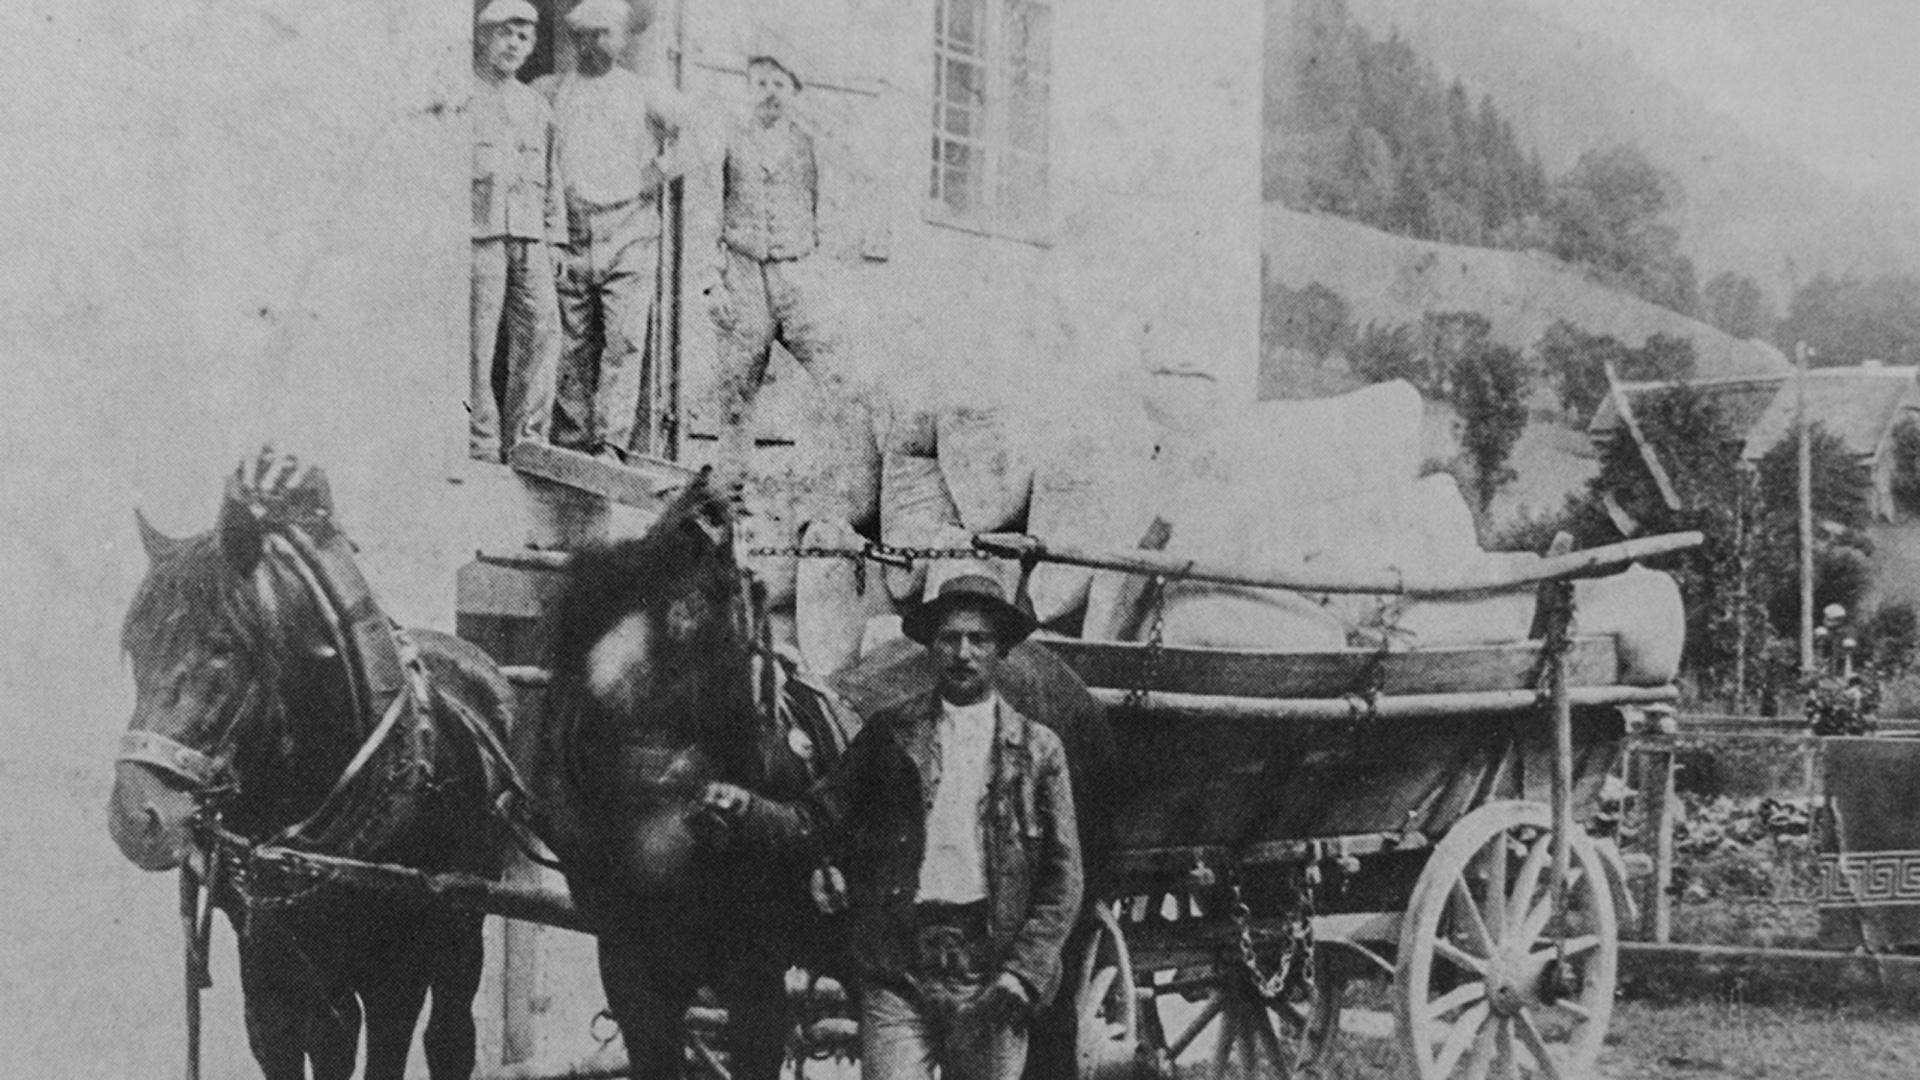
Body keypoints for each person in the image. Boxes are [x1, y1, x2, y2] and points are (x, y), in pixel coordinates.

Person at [701, 575, 1083, 1080]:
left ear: (1000, 651)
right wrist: (745, 806)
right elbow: (817, 819)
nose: (963, 653)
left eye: (979, 640)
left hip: (990, 976)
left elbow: (1063, 876)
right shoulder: (889, 734)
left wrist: (1024, 975)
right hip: (898, 971)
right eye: (949, 639)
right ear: (929, 648)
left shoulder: (1039, 751)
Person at [536, 0, 693, 462]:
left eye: (605, 33)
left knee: (623, 343)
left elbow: (705, 129)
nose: (594, 43)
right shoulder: (553, 91)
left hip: (628, 233)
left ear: (623, 38)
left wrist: (658, 171)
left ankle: (609, 445)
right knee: (571, 342)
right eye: (584, 34)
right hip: (572, 232)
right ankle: (570, 445)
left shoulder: (644, 92)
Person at [703, 52, 855, 491]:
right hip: (744, 274)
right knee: (735, 389)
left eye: (778, 85)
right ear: (748, 89)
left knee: (837, 375)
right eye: (761, 83)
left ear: (793, 92)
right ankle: (730, 495)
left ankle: (832, 479)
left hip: (798, 274)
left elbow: (831, 213)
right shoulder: (729, 139)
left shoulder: (810, 144)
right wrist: (712, 283)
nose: (769, 93)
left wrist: (825, 276)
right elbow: (707, 211)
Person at [469, 0, 565, 464]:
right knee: (477, 343)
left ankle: (526, 441)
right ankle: (480, 443)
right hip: (478, 232)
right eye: (506, 33)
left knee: (544, 330)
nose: (514, 45)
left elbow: (552, 177)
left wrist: (556, 238)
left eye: (524, 38)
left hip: (530, 236)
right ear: (484, 36)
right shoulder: (461, 93)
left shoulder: (535, 106)